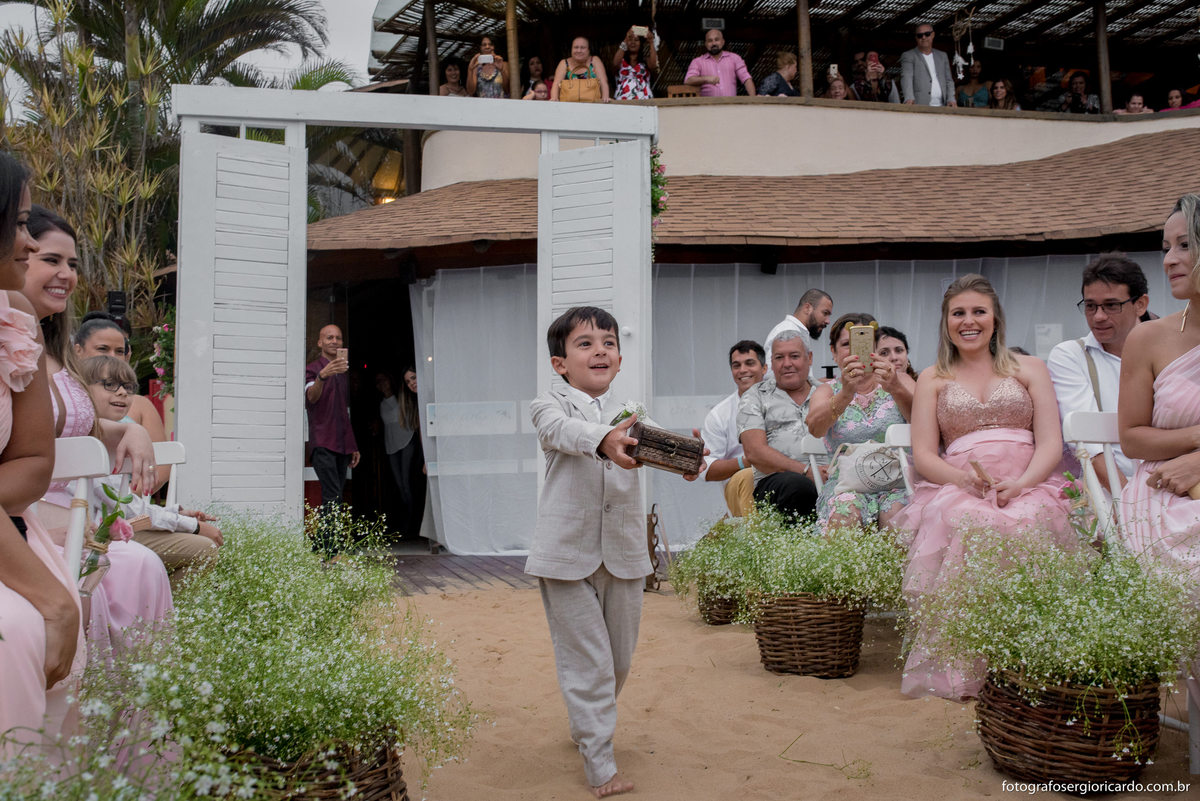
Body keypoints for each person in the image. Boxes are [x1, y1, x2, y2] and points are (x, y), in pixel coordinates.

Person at [526, 306, 700, 799]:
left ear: (620, 359)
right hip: (565, 557)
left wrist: (689, 460)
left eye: (608, 342)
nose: (599, 349)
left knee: (618, 662)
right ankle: (600, 762)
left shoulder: (635, 414)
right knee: (591, 663)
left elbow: (663, 447)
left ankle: (586, 721)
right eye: (585, 343)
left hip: (624, 556)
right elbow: (562, 434)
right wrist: (604, 438)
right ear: (560, 363)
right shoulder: (548, 405)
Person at [893, 274, 1073, 700]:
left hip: (1030, 481)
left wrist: (1024, 482)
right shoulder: (934, 378)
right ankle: (968, 666)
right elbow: (925, 455)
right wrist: (963, 480)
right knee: (970, 523)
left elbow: (1051, 441)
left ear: (995, 319)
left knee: (1029, 523)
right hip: (962, 484)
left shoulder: (1030, 368)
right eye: (958, 313)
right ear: (946, 321)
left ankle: (1032, 661)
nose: (968, 321)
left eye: (978, 312)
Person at [22, 205, 170, 658]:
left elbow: (70, 420)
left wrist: (128, 431)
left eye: (72, 264)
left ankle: (137, 718)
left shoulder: (55, 353)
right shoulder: (14, 345)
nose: (65, 274)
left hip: (79, 513)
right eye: (51, 259)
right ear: (15, 254)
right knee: (118, 566)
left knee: (142, 566)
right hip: (32, 513)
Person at [0, 151, 85, 753]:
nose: (28, 244)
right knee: (20, 630)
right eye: (20, 224)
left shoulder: (16, 320)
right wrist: (55, 602)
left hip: (12, 527)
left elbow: (33, 463)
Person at [1117, 193, 1200, 599]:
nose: (1168, 260)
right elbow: (1131, 438)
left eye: (1185, 245)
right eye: (1167, 248)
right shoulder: (1148, 338)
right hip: (1164, 491)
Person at [80, 355, 221, 584]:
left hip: (117, 530)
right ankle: (161, 617)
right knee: (203, 549)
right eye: (109, 384)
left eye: (128, 387)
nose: (122, 392)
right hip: (96, 537)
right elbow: (124, 509)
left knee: (201, 545)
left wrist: (176, 514)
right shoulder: (87, 440)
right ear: (82, 390)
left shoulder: (121, 436)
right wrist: (193, 526)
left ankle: (154, 613)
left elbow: (127, 504)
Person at [1047, 254, 1150, 487]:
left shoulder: (1170, 351)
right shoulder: (1071, 356)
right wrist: (1126, 504)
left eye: (1111, 305)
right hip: (1111, 490)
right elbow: (1090, 445)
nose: (1099, 316)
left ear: (1140, 304)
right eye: (1090, 306)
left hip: (1175, 481)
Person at [806, 313, 914, 530]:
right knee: (845, 514)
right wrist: (845, 393)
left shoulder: (899, 380)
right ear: (834, 353)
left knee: (897, 515)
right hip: (846, 486)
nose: (855, 352)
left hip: (897, 482)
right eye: (847, 344)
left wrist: (895, 388)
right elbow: (815, 429)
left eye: (863, 344)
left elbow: (924, 423)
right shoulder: (827, 390)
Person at [74, 310, 171, 490]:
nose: (111, 355)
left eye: (119, 351)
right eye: (102, 348)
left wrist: (127, 501)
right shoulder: (65, 399)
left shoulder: (138, 403)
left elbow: (161, 463)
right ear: (77, 350)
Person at [738, 331, 820, 519]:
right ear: (771, 364)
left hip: (831, 477)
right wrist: (807, 472)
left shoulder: (827, 392)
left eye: (794, 356)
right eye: (779, 357)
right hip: (779, 483)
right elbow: (754, 452)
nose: (787, 363)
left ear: (809, 358)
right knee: (798, 487)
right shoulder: (755, 396)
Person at [305, 324, 359, 544]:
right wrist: (322, 376)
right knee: (331, 496)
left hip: (342, 443)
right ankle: (330, 550)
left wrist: (353, 444)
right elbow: (311, 397)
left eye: (338, 338)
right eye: (329, 337)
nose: (334, 341)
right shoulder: (313, 368)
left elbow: (343, 413)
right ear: (320, 342)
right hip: (323, 443)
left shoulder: (343, 373)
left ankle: (324, 547)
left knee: (336, 497)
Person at [702, 340, 768, 516]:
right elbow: (706, 469)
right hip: (741, 485)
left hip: (780, 477)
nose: (743, 370)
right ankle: (754, 541)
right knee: (748, 476)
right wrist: (746, 462)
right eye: (736, 365)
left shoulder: (782, 403)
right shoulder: (719, 415)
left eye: (750, 363)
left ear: (764, 368)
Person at [377, 368, 423, 534]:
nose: (382, 384)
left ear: (390, 381)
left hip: (406, 440)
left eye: (384, 380)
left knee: (406, 482)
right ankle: (405, 520)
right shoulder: (382, 403)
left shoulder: (402, 399)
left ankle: (411, 523)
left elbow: (413, 419)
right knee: (398, 484)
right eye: (378, 382)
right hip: (391, 445)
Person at [764, 288, 833, 382]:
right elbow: (771, 377)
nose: (828, 321)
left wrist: (816, 385)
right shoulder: (787, 331)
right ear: (807, 308)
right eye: (825, 313)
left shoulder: (797, 332)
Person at [683, 29, 755, 98]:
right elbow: (688, 80)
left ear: (723, 42)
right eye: (710, 41)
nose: (714, 43)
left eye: (717, 40)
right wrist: (706, 79)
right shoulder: (697, 62)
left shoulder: (734, 58)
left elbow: (746, 78)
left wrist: (754, 99)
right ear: (705, 44)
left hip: (731, 106)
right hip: (707, 108)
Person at [900, 23, 956, 107]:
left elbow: (949, 80)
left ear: (933, 35)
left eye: (927, 34)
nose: (923, 37)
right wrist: (909, 98)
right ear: (916, 38)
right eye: (920, 35)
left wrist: (951, 99)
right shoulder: (908, 55)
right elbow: (906, 77)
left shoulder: (942, 56)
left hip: (943, 106)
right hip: (920, 105)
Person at [551, 36, 610, 103]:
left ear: (588, 50)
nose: (579, 50)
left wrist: (605, 98)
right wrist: (554, 98)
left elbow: (603, 82)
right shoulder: (564, 63)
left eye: (582, 48)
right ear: (571, 49)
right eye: (576, 47)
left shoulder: (594, 60)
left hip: (592, 104)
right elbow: (556, 84)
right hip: (569, 104)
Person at [611, 27, 656, 101]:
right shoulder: (620, 61)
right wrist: (626, 39)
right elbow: (615, 64)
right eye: (630, 39)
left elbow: (653, 66)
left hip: (644, 100)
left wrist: (651, 42)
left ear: (641, 44)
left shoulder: (645, 61)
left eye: (636, 40)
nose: (633, 42)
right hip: (623, 100)